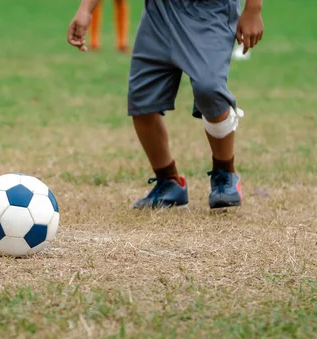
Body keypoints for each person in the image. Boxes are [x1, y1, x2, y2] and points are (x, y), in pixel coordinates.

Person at [67, 0, 264, 209]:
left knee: (209, 90)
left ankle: (225, 173)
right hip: (159, 12)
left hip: (210, 12)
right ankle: (168, 182)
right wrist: (86, 9)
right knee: (142, 100)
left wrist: (253, 9)